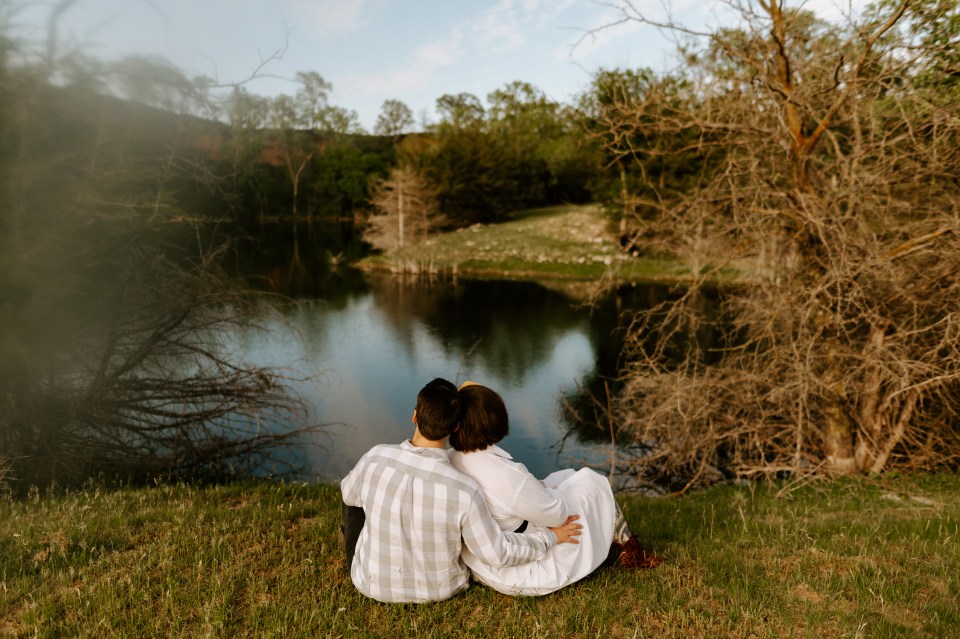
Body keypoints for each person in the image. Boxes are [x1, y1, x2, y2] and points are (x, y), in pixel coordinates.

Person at [340, 378, 582, 603]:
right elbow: (498, 554)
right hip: (439, 591)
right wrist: (550, 536)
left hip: (370, 585)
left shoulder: (376, 457)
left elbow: (348, 494)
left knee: (354, 496)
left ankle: (372, 555)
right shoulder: (466, 490)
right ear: (455, 426)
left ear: (414, 416)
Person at [449, 381, 662, 596]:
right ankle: (630, 548)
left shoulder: (452, 458)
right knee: (592, 482)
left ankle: (618, 536)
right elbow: (558, 516)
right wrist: (549, 499)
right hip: (520, 571)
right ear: (495, 422)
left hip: (483, 565)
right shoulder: (506, 475)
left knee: (564, 477)